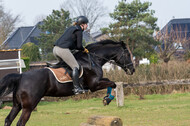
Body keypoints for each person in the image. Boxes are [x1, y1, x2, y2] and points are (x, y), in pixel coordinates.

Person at [53, 16, 89, 94]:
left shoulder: (71, 28)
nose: (87, 26)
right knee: (75, 66)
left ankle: (66, 84)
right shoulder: (79, 31)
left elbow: (73, 45)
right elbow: (79, 46)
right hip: (63, 50)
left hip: (55, 49)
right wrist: (84, 49)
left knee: (66, 67)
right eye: (86, 24)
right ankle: (76, 89)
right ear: (82, 25)